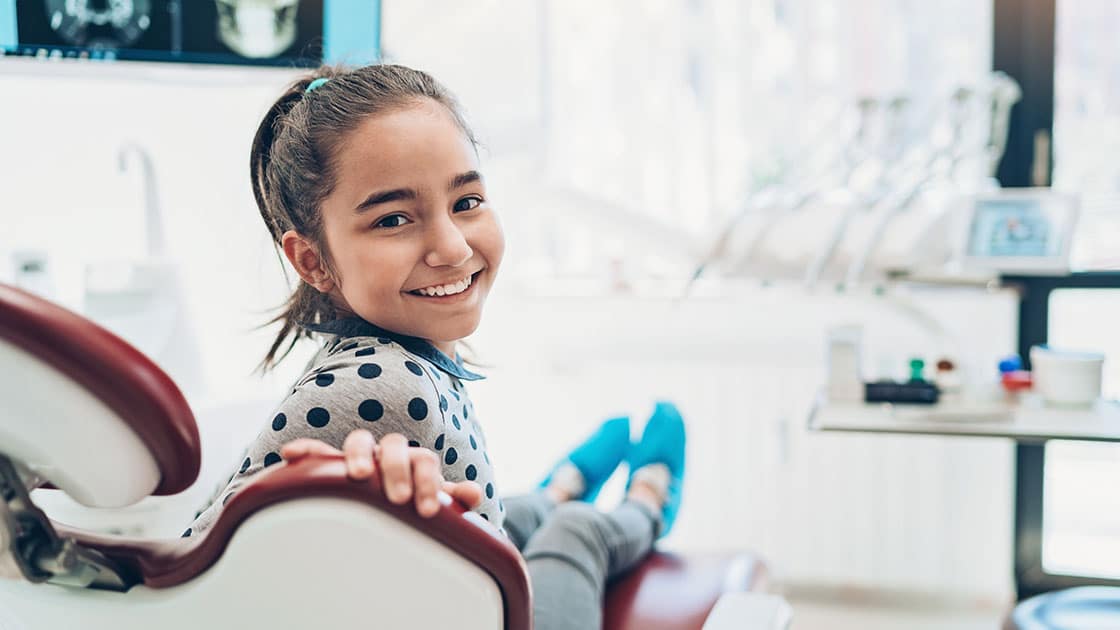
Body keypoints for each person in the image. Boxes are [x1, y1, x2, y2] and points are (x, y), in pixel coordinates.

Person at [186, 64, 686, 630]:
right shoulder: (381, 387)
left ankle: (558, 491)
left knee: (503, 516)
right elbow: (194, 582)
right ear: (313, 260)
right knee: (576, 538)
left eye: (467, 202)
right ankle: (645, 503)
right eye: (394, 218)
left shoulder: (392, 355)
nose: (451, 247)